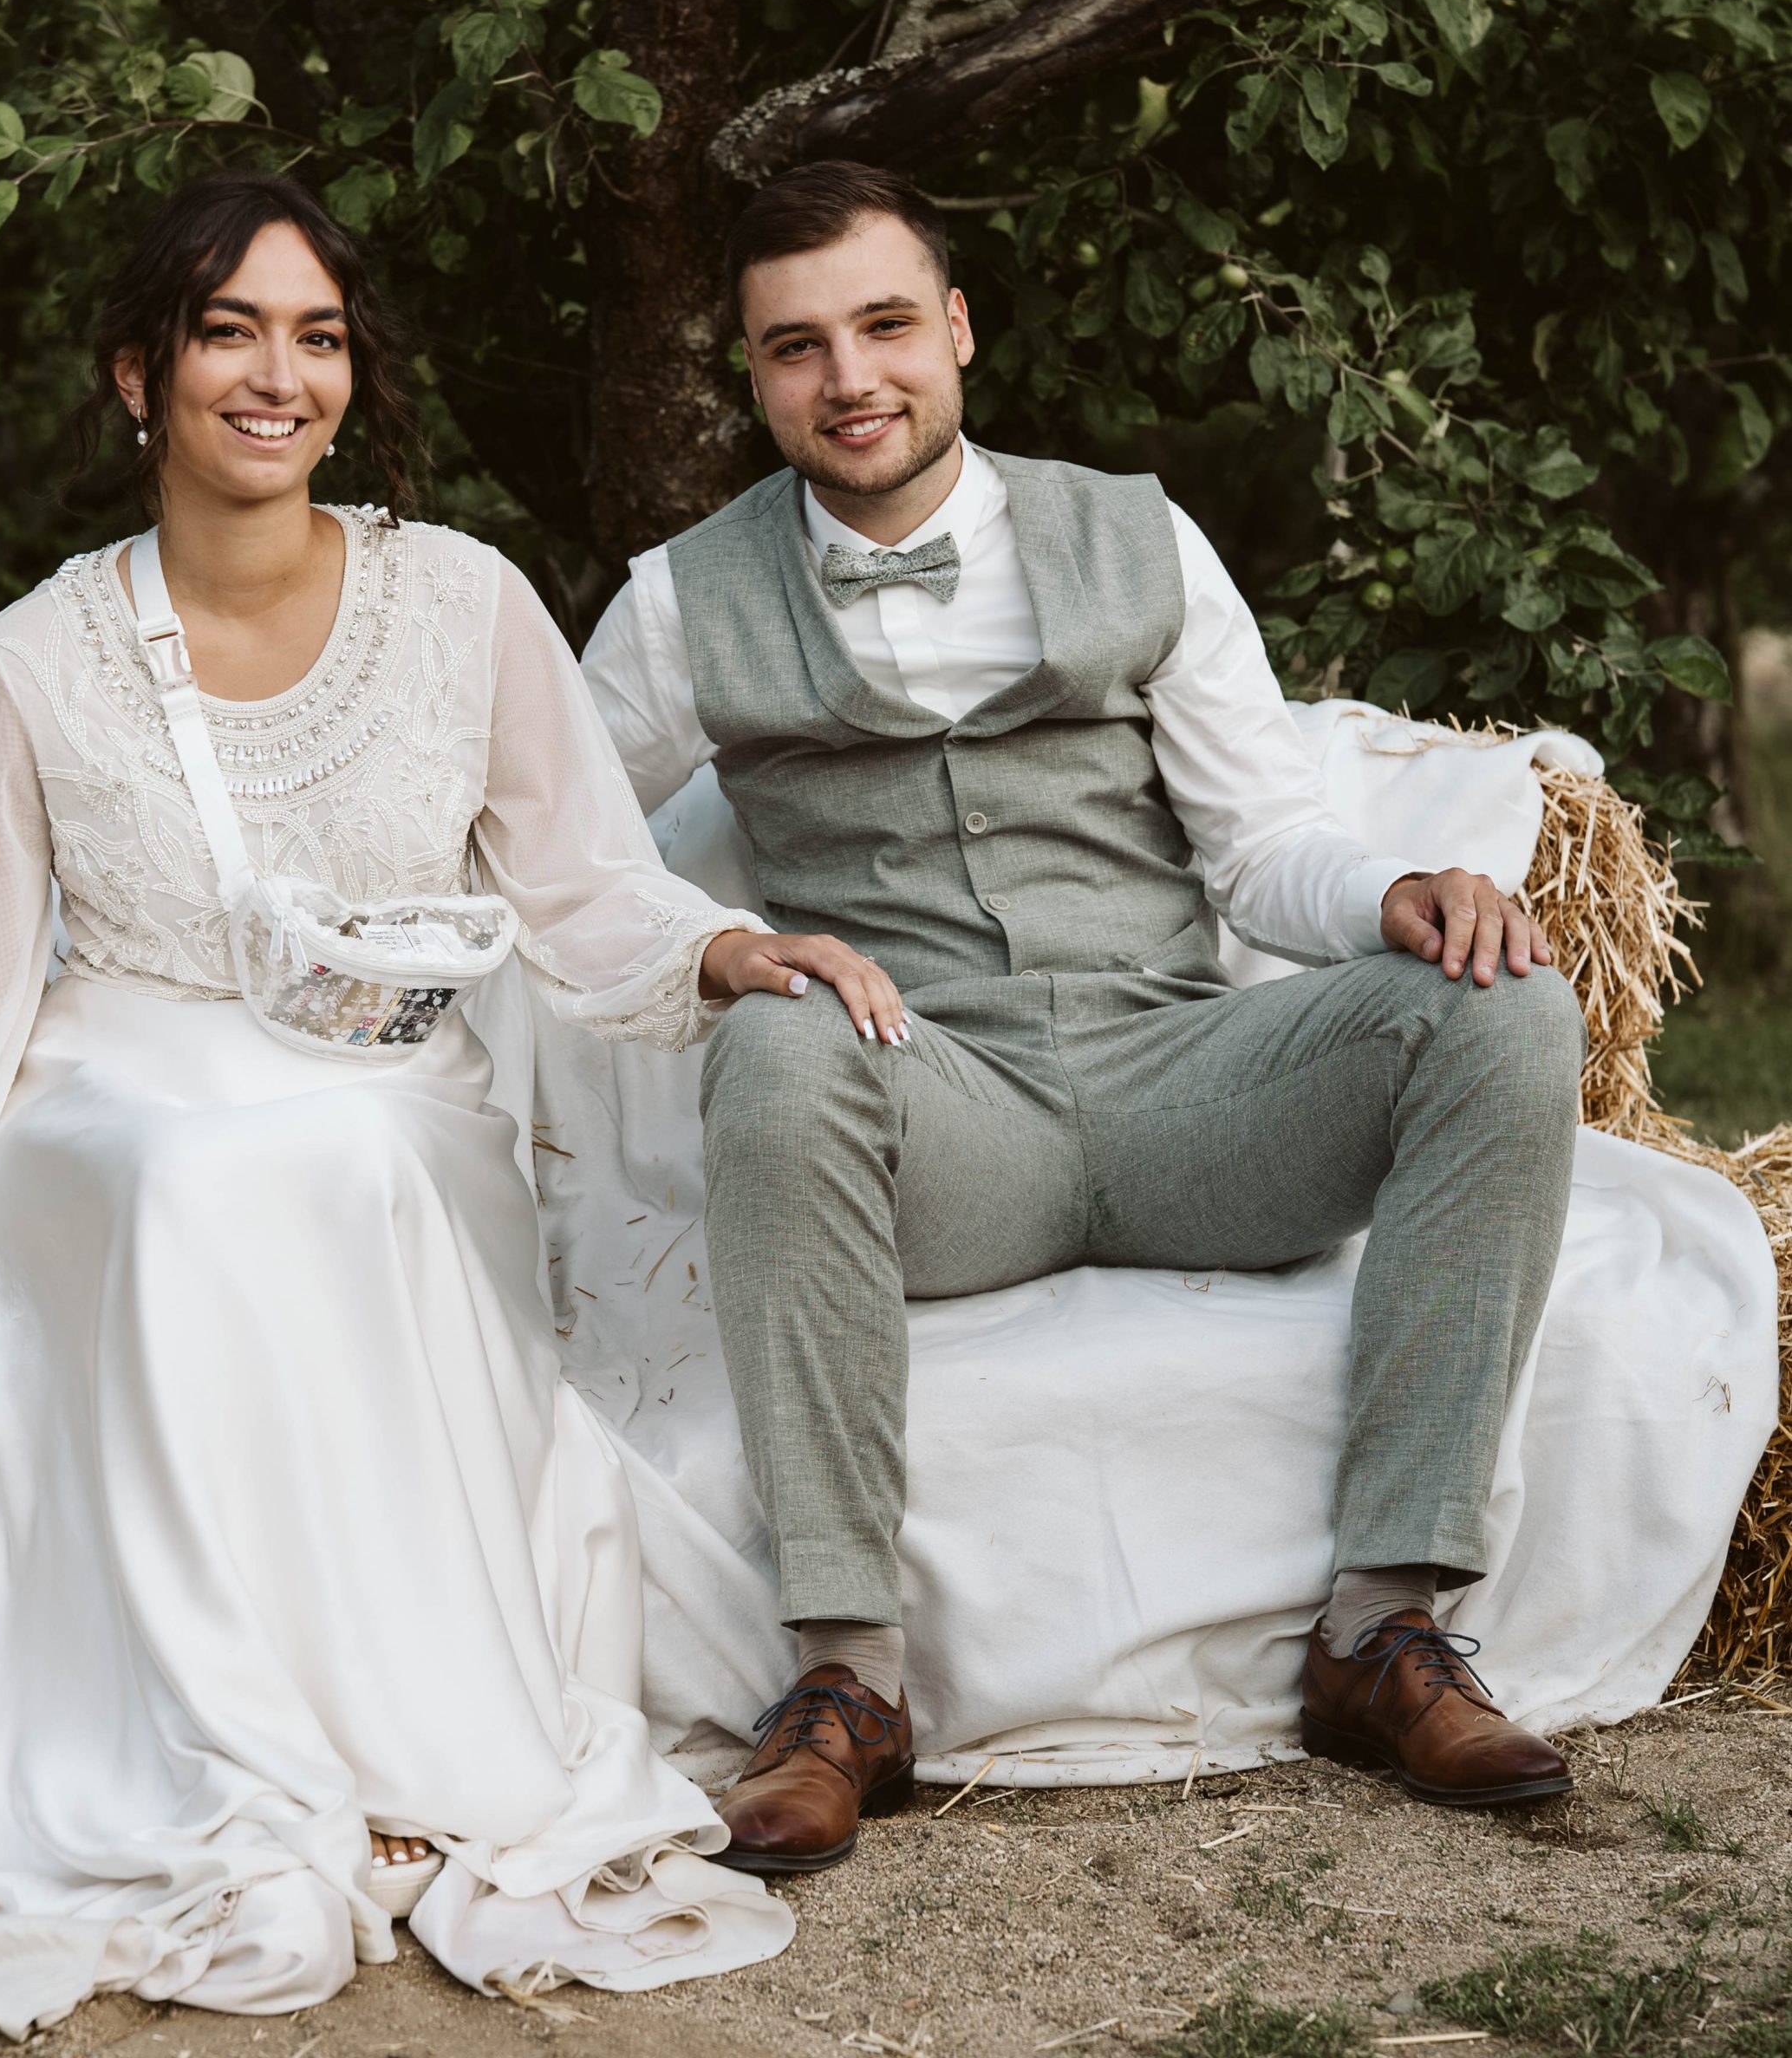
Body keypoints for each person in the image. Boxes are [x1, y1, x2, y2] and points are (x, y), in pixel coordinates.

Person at [0, 173, 900, 2035]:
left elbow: (581, 886)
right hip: (114, 1095)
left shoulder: (465, 602)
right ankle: (239, 1758)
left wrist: (725, 952)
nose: (279, 376)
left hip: (385, 1092)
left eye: (318, 335)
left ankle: (402, 1737)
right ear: (140, 374)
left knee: (334, 1151)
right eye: (229, 332)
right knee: (196, 1173)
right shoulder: (31, 660)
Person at [581, 160, 1588, 1878]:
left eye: (886, 326)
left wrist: (1391, 895)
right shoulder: (682, 599)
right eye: (796, 346)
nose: (850, 379)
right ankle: (846, 1678)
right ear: (750, 374)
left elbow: (1260, 841)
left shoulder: (1139, 533)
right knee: (774, 1029)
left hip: (1182, 1086)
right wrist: (724, 945)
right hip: (932, 1109)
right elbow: (564, 858)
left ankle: (1382, 1628)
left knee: (1499, 1004)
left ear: (958, 327)